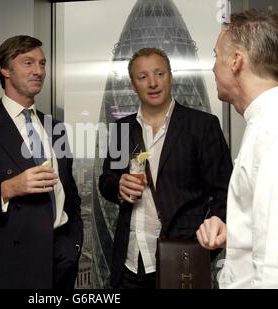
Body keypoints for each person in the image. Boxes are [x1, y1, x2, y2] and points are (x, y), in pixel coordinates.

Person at [0, 35, 83, 289]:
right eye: (28, 63)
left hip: (58, 263)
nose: (39, 71)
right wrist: (8, 189)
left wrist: (72, 245)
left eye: (42, 64)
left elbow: (71, 195)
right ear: (5, 69)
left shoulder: (56, 128)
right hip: (3, 267)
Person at [99, 47, 233, 289]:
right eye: (143, 77)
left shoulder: (202, 126)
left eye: (159, 74)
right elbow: (107, 180)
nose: (152, 83)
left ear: (171, 77)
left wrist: (205, 246)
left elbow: (223, 192)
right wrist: (118, 186)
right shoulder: (122, 130)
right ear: (132, 85)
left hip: (181, 260)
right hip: (130, 261)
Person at [196, 9, 278, 288]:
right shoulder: (269, 125)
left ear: (236, 61)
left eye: (216, 56)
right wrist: (236, 232)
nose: (213, 66)